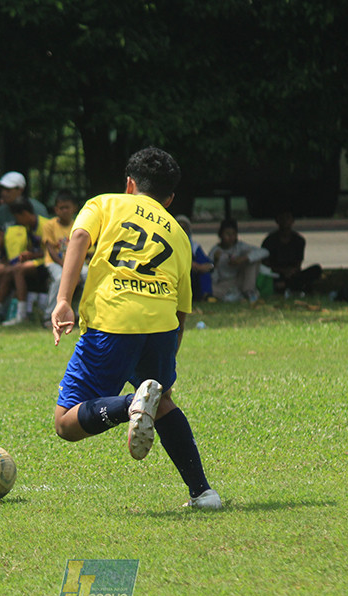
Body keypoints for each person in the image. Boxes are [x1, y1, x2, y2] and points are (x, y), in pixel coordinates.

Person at [51, 146, 222, 510]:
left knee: (66, 423)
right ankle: (203, 492)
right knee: (162, 401)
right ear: (170, 197)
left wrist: (63, 299)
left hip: (113, 320)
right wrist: (166, 361)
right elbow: (182, 311)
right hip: (160, 327)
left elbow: (79, 237)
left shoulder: (106, 203)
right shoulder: (178, 233)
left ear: (130, 183)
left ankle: (131, 404)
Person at [0, 197, 48, 326]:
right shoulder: (29, 227)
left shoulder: (45, 226)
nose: (17, 221)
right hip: (38, 261)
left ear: (24, 213)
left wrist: (32, 255)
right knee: (10, 272)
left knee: (17, 269)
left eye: (17, 217)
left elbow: (51, 252)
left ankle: (20, 314)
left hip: (49, 262)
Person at [41, 191, 89, 323]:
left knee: (89, 275)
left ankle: (80, 313)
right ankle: (49, 315)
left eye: (67, 207)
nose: (64, 211)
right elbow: (50, 249)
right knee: (59, 279)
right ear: (56, 209)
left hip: (77, 263)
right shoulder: (49, 225)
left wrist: (75, 268)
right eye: (61, 208)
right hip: (55, 262)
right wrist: (68, 268)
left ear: (74, 208)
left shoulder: (79, 224)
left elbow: (87, 250)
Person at [261, 211, 321, 295]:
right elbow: (265, 265)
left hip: (292, 275)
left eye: (288, 218)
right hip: (276, 274)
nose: (285, 221)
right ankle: (290, 286)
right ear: (277, 221)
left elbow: (298, 263)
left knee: (316, 269)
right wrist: (282, 271)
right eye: (282, 218)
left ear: (292, 221)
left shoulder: (299, 240)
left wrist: (292, 271)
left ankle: (288, 286)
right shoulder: (269, 241)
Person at [208, 218, 267, 303]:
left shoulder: (240, 246)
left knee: (253, 257)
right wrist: (216, 262)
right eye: (227, 234)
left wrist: (243, 259)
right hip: (224, 283)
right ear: (220, 235)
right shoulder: (215, 251)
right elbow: (213, 278)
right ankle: (234, 296)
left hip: (240, 280)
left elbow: (264, 252)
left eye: (233, 234)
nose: (231, 237)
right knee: (209, 288)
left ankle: (248, 291)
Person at [176, 215, 214, 301]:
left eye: (184, 228)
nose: (182, 231)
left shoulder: (194, 247)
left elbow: (208, 264)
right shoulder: (170, 244)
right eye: (179, 227)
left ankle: (206, 296)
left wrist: (202, 267)